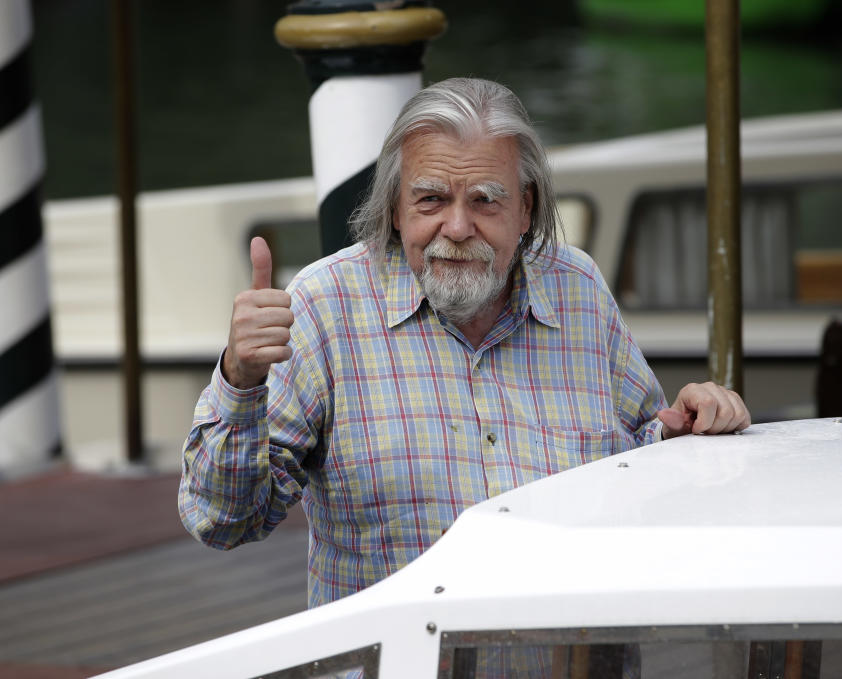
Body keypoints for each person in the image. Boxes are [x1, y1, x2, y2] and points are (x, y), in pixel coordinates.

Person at [179, 78, 750, 612]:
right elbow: (224, 520)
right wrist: (241, 379)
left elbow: (641, 452)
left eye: (484, 201)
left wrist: (686, 430)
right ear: (395, 210)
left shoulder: (576, 288)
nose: (456, 227)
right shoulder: (327, 305)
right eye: (430, 200)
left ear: (525, 209)